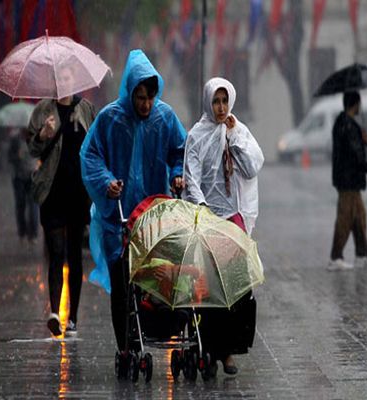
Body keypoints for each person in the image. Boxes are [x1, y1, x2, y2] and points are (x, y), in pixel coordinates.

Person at [80, 50, 186, 361]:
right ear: (130, 92)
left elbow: (180, 151)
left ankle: (154, 333)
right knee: (122, 285)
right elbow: (91, 156)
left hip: (154, 217)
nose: (145, 104)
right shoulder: (110, 119)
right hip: (119, 219)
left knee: (157, 282)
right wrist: (106, 183)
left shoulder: (165, 118)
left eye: (150, 97)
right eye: (140, 97)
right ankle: (126, 346)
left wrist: (177, 175)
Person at [183, 77, 264, 376]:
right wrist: (202, 209)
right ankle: (210, 346)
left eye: (224, 101)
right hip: (208, 220)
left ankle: (230, 350)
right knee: (209, 289)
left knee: (236, 288)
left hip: (234, 218)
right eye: (215, 101)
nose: (220, 108)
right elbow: (192, 176)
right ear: (208, 102)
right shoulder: (197, 135)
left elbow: (250, 167)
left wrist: (233, 139)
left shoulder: (238, 131)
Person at [27, 65, 95, 337]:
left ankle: (74, 317)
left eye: (67, 78)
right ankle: (55, 311)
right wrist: (43, 135)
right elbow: (32, 147)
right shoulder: (43, 110)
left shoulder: (86, 109)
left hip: (78, 193)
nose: (63, 84)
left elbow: (96, 145)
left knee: (74, 255)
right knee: (56, 252)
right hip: (52, 193)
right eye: (59, 79)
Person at [328, 91, 367, 271]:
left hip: (349, 180)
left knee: (359, 217)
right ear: (355, 104)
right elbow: (356, 154)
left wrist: (366, 139)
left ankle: (362, 254)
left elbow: (360, 145)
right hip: (348, 180)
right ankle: (335, 258)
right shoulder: (347, 125)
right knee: (345, 219)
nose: (360, 107)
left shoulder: (345, 124)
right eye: (359, 103)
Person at [8, 128, 38, 245]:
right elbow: (9, 157)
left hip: (33, 177)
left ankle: (33, 234)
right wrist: (17, 156)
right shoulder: (15, 139)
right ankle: (22, 232)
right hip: (19, 177)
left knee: (33, 207)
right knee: (20, 206)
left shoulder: (37, 138)